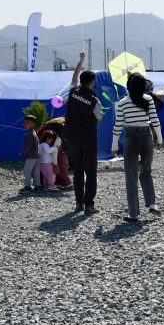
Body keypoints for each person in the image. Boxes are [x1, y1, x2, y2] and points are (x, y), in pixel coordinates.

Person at [112, 73, 163, 222]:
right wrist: (159, 139)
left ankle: (133, 214)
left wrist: (114, 145)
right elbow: (155, 121)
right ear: (143, 86)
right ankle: (152, 204)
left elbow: (118, 126)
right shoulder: (148, 100)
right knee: (146, 171)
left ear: (128, 86)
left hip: (131, 137)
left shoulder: (122, 103)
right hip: (146, 136)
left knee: (131, 176)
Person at [64, 51, 102, 214]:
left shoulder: (72, 92)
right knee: (91, 171)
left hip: (73, 137)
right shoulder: (95, 101)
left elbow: (74, 76)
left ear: (81, 81)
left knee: (78, 170)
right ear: (92, 82)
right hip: (89, 139)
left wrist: (82, 60)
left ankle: (79, 203)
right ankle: (89, 205)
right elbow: (98, 119)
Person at [22, 115, 41, 192]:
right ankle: (37, 186)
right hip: (37, 156)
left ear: (33, 124)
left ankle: (28, 186)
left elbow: (29, 146)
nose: (25, 124)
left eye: (27, 123)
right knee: (36, 171)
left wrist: (23, 152)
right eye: (24, 122)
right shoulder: (34, 132)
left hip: (31, 156)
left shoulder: (30, 134)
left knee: (27, 171)